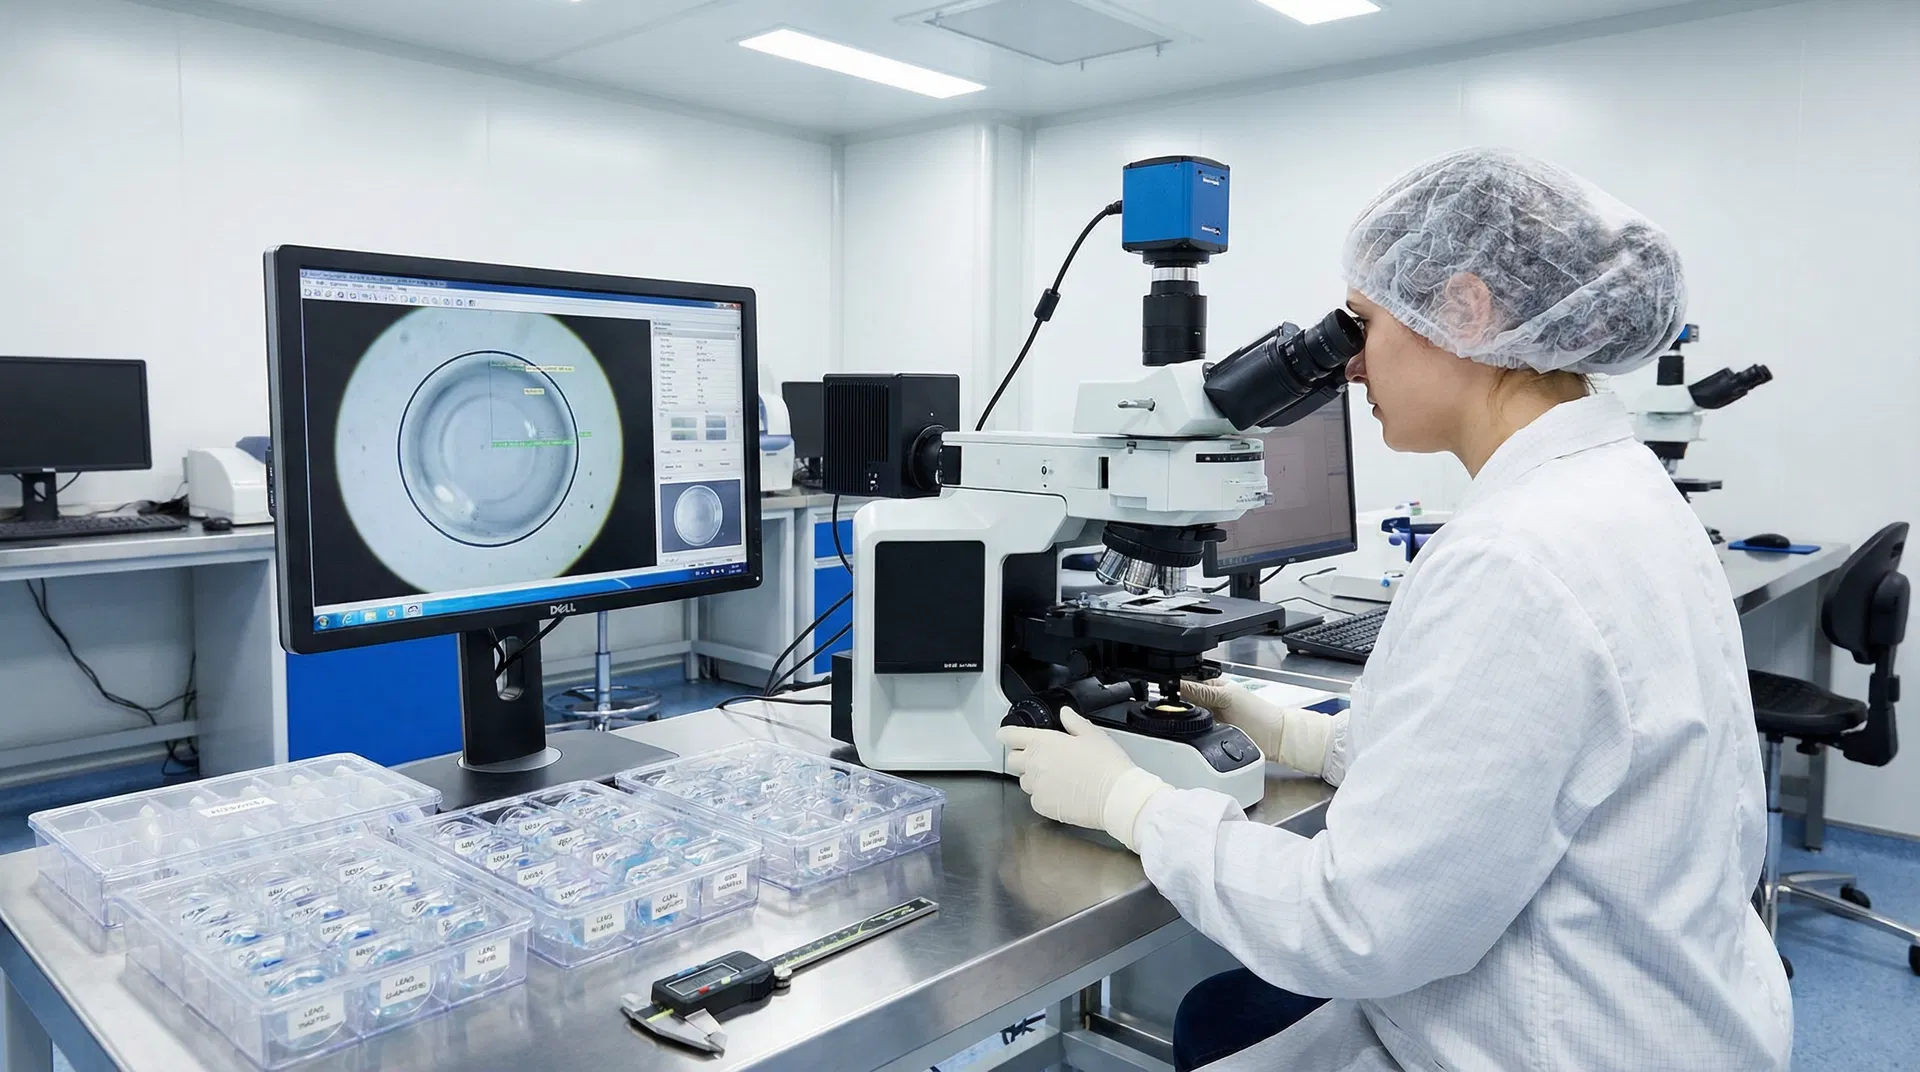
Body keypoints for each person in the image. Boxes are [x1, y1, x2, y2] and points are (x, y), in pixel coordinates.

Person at [998, 148, 1793, 1071]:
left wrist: (1133, 804)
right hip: (1652, 1002)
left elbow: (1355, 924)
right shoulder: (1612, 489)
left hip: (1559, 1038)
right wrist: (1295, 733)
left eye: (1361, 326)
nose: (1346, 368)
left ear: (1464, 308)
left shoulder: (1518, 557)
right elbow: (1501, 769)